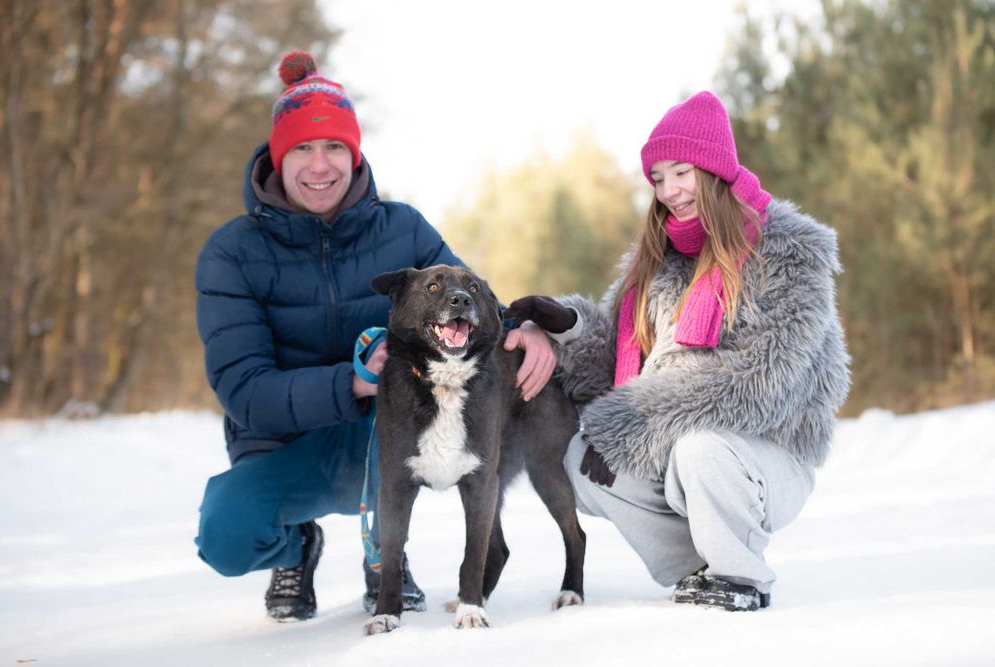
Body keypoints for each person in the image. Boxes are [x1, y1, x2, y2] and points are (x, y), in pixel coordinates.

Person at [193, 51, 556, 622]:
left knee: (393, 437)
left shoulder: (403, 228)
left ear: (355, 154)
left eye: (335, 146)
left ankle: (385, 555)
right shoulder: (231, 254)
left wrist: (523, 331)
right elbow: (245, 390)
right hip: (289, 446)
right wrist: (352, 381)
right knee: (226, 534)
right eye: (303, 148)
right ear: (278, 155)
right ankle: (297, 546)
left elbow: (471, 303)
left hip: (383, 435)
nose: (321, 164)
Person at [506, 91, 850, 611]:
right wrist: (567, 328)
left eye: (681, 172)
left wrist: (636, 418)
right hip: (677, 452)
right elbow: (620, 368)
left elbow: (763, 383)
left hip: (769, 451)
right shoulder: (656, 260)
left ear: (712, 170)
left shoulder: (787, 251)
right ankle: (699, 567)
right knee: (577, 459)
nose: (668, 190)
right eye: (657, 178)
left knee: (702, 448)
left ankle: (740, 577)